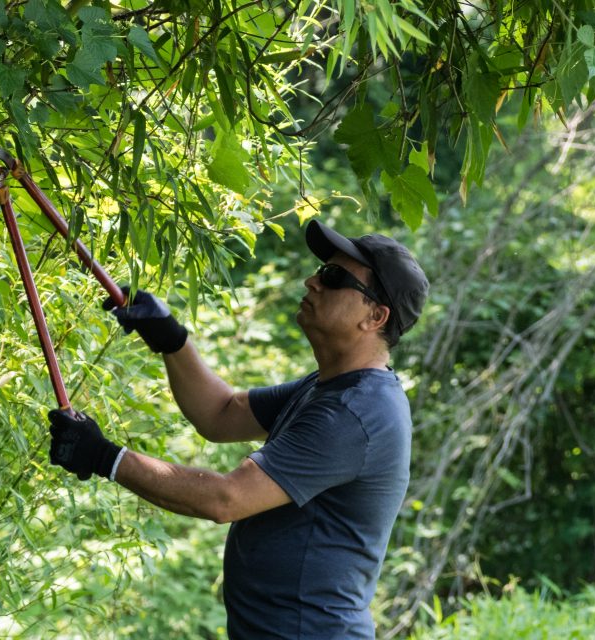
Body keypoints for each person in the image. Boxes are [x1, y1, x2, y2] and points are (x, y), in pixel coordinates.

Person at [47, 220, 430, 639]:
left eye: (333, 277)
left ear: (375, 316)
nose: (312, 281)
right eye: (321, 270)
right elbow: (222, 413)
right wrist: (171, 340)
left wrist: (105, 457)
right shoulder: (327, 388)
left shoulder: (356, 413)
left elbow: (225, 499)